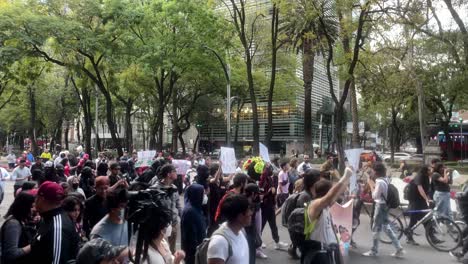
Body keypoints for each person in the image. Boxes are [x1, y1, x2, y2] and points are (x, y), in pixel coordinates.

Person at [303, 167, 353, 264]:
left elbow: (337, 192)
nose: (334, 195)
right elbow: (330, 195)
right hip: (317, 254)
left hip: (328, 251)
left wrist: (348, 177)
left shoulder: (326, 206)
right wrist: (345, 176)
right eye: (330, 191)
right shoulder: (314, 205)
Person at [31, 181, 80, 264]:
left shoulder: (57, 228)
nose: (35, 201)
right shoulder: (48, 218)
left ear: (42, 199)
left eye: (36, 197)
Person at [363, 162, 404, 257]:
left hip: (380, 206)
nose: (371, 172)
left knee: (375, 228)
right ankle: (398, 248)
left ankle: (374, 250)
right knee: (386, 227)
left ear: (376, 171)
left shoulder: (379, 182)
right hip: (385, 205)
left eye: (372, 170)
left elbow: (374, 196)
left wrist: (370, 183)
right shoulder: (386, 179)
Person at [207, 194, 252, 264]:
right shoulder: (219, 242)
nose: (251, 213)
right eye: (248, 210)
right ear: (240, 216)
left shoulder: (241, 231)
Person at [151, 164, 181, 252]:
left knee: (172, 249)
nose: (176, 173)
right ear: (168, 174)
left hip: (174, 223)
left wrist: (181, 217)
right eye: (174, 171)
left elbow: (178, 204)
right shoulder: (155, 189)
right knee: (159, 247)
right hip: (160, 225)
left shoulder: (174, 187)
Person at [0, 192, 35, 264]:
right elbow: (11, 253)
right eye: (32, 207)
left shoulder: (21, 220)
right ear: (24, 207)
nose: (34, 209)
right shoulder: (13, 225)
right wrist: (34, 246)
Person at [405, 165, 435, 245]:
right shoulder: (420, 176)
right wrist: (427, 199)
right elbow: (420, 189)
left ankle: (432, 237)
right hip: (415, 200)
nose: (431, 171)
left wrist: (428, 199)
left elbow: (426, 190)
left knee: (427, 218)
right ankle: (409, 237)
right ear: (425, 170)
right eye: (429, 170)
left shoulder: (426, 177)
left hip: (420, 200)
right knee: (414, 220)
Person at [181, 183, 207, 264]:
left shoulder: (196, 207)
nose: (205, 196)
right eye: (203, 194)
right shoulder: (190, 211)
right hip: (193, 254)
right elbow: (190, 238)